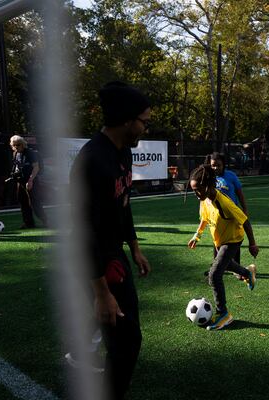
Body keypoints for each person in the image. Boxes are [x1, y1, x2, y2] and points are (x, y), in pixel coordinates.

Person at [70, 81, 152, 399]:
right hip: (93, 262)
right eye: (144, 120)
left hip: (114, 255)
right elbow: (83, 230)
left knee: (127, 341)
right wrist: (101, 291)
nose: (146, 127)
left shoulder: (123, 154)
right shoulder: (92, 161)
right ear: (127, 119)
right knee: (124, 342)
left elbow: (123, 206)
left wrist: (134, 247)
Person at [187, 164, 259, 330]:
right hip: (220, 240)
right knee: (227, 265)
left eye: (198, 189)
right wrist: (196, 235)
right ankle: (248, 272)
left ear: (209, 185)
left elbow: (245, 221)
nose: (196, 193)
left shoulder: (225, 203)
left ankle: (223, 314)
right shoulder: (204, 200)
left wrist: (252, 243)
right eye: (193, 190)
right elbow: (204, 219)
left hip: (233, 239)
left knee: (214, 274)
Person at [9, 135, 48, 229]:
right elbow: (17, 166)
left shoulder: (30, 153)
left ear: (23, 144)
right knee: (23, 202)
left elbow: (36, 167)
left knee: (35, 202)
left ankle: (46, 221)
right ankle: (28, 223)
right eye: (14, 145)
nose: (16, 147)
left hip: (31, 180)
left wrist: (30, 180)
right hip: (20, 181)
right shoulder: (15, 153)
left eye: (18, 145)